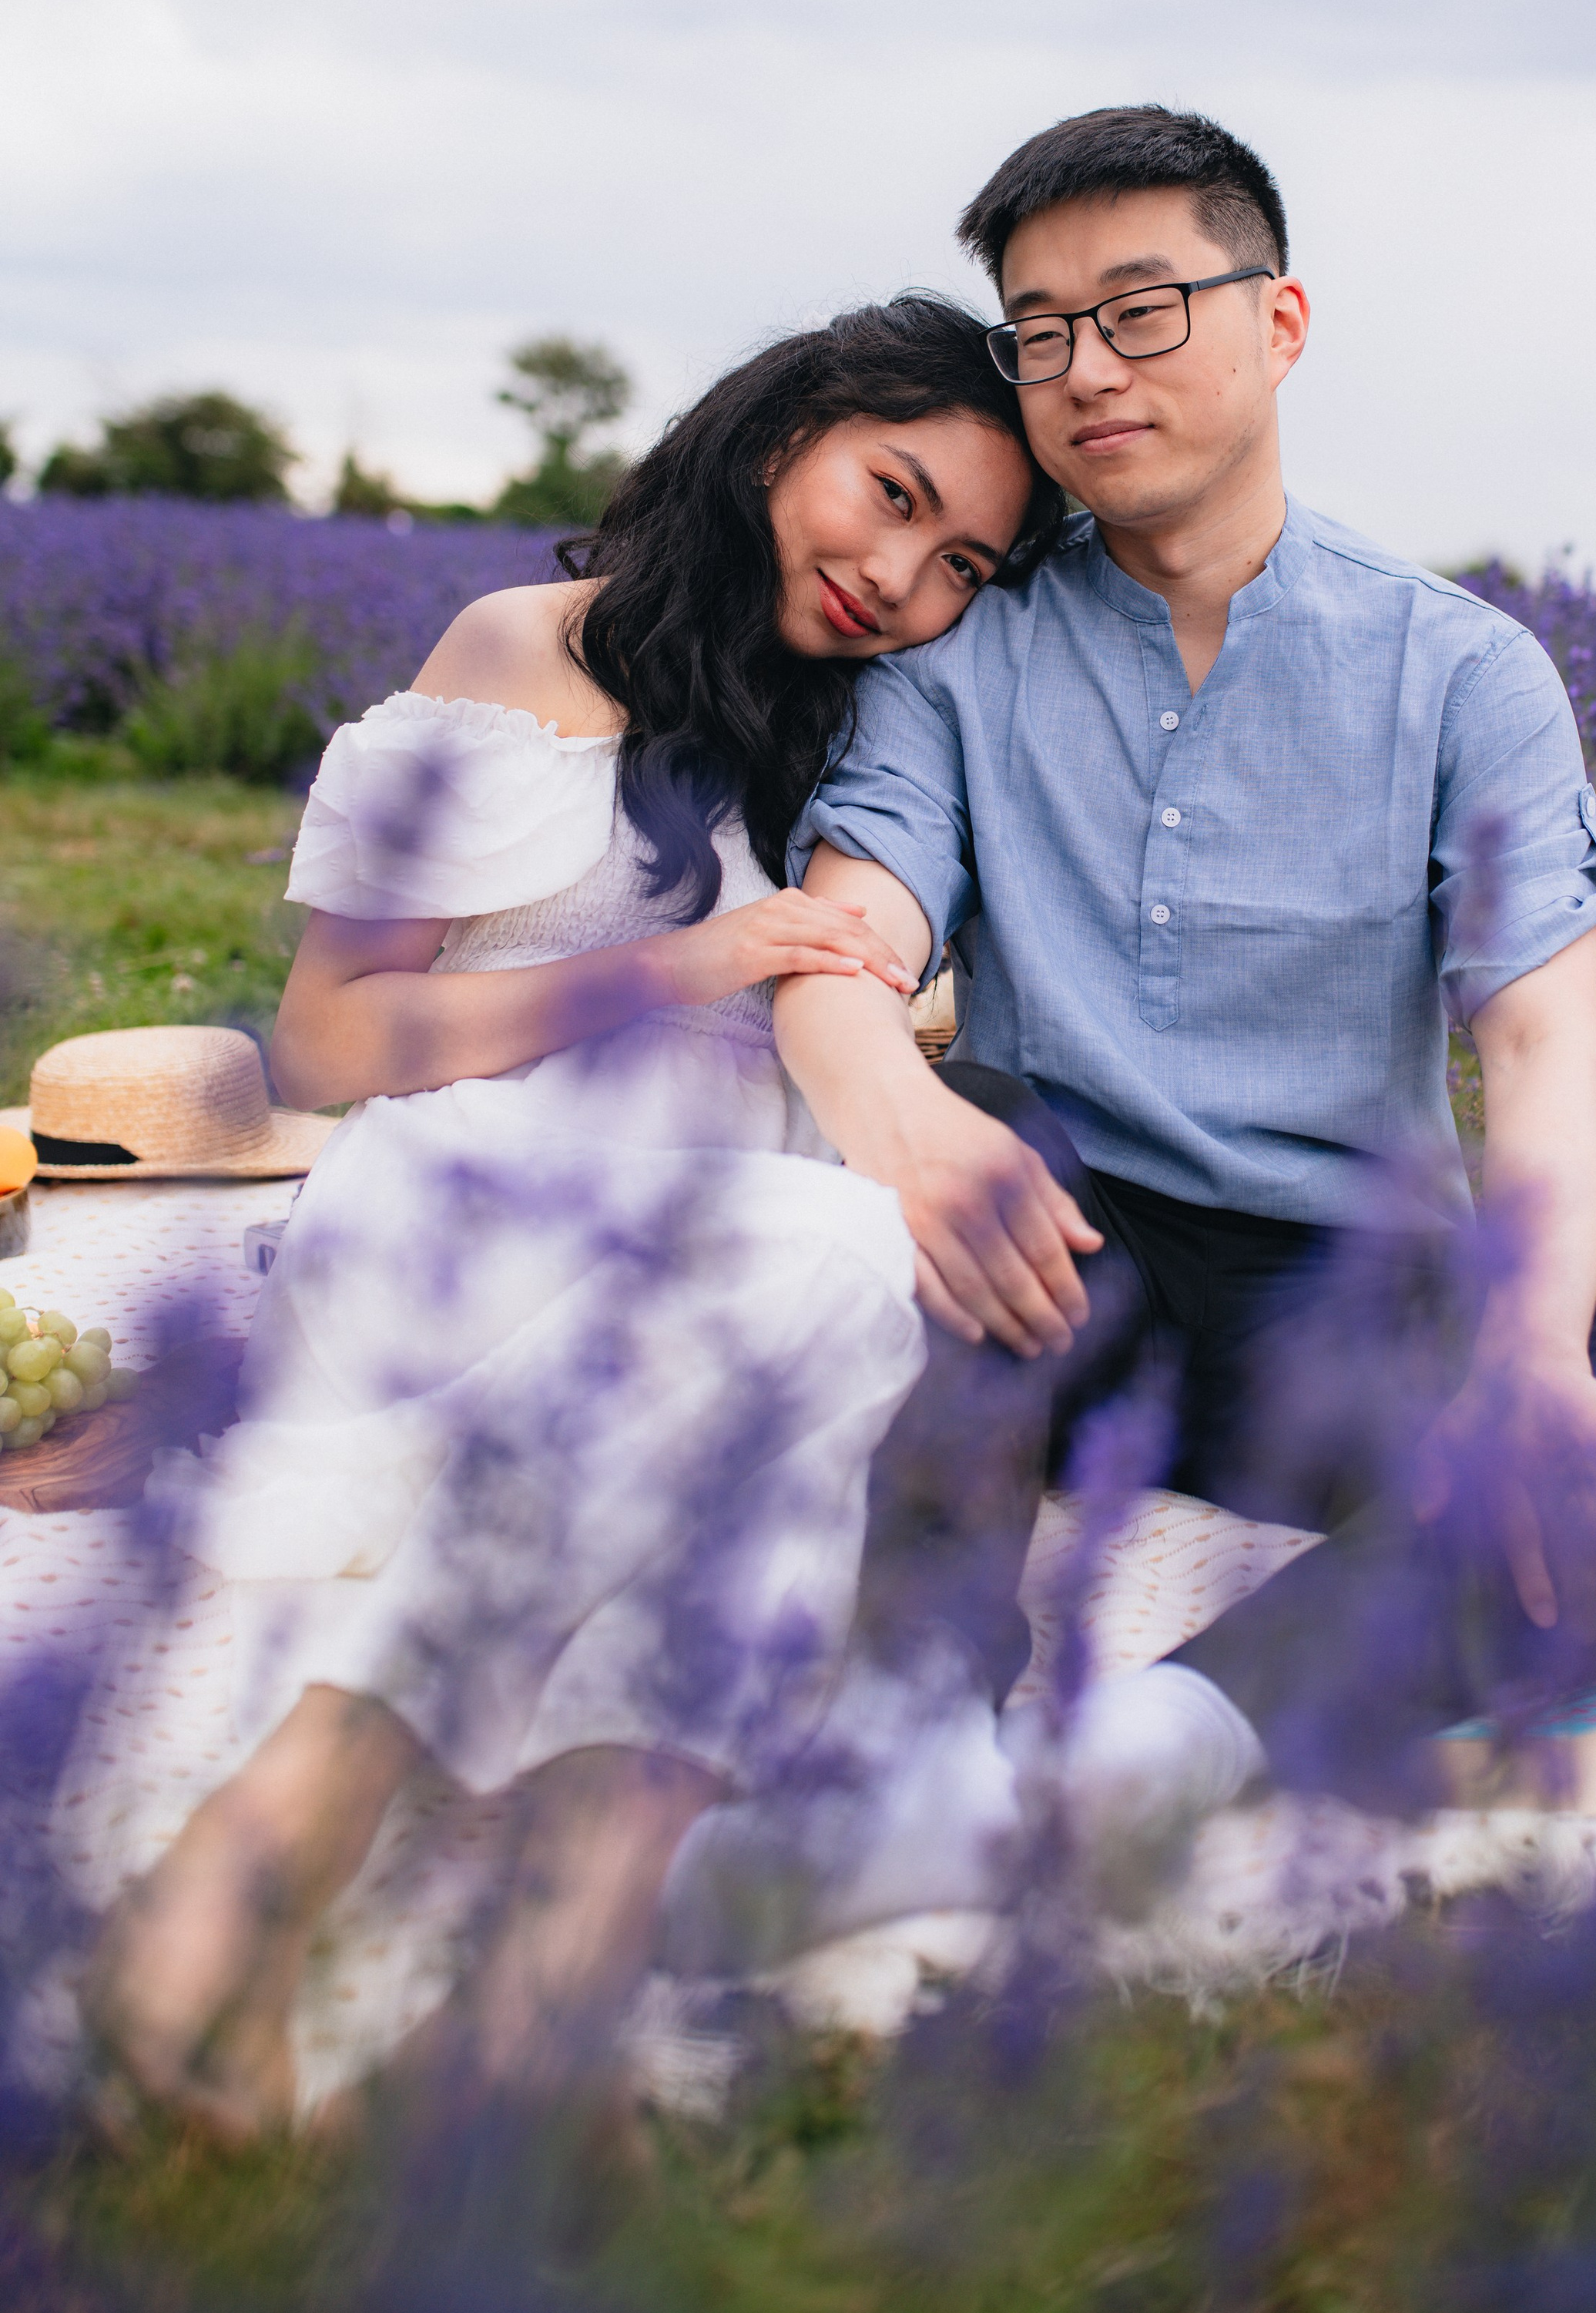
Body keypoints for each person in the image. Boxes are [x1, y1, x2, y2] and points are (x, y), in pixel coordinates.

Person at [753, 106, 1596, 1912]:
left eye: (1140, 309)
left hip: (1343, 1273)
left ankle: (1140, 1756)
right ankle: (907, 1737)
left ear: (1277, 323)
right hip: (1064, 1251)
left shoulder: (1458, 670)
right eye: (1041, 328)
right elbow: (840, 947)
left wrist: (1530, 1355)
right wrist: (905, 1136)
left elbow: (1540, 1043)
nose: (1084, 369)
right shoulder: (962, 647)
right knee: (911, 1210)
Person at [80, 293, 1062, 2144]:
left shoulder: (868, 738)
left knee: (818, 1308)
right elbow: (326, 1037)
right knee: (840, 1271)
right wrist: (688, 963)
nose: (900, 573)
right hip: (463, 1222)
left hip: (728, 1252)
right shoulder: (531, 649)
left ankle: (530, 2009)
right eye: (891, 491)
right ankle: (301, 1833)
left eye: (961, 565)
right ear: (787, 435)